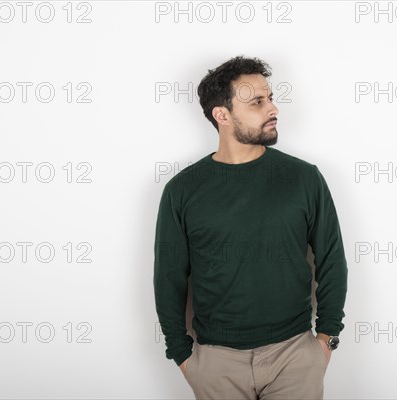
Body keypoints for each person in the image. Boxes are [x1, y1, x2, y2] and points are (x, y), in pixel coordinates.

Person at [153, 55, 348, 400]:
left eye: (270, 98)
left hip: (295, 356)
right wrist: (182, 356)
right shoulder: (182, 190)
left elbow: (332, 260)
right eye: (258, 102)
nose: (273, 108)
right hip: (216, 362)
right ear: (222, 115)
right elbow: (169, 278)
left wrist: (326, 339)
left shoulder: (303, 178)